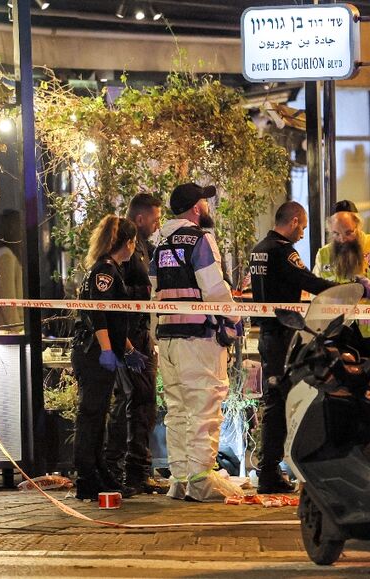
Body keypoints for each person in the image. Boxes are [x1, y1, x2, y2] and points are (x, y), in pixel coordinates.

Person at [149, 182, 243, 502]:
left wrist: (154, 336)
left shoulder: (159, 243)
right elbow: (214, 289)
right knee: (204, 408)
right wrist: (233, 320)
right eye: (204, 202)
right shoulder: (201, 240)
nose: (207, 207)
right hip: (198, 339)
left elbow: (153, 294)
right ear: (195, 208)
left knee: (176, 411)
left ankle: (179, 480)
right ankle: (202, 482)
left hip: (168, 338)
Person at [249, 201, 340, 494]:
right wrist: (343, 290)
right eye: (302, 226)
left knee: (274, 401)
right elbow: (306, 280)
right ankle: (271, 471)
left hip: (267, 333)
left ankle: (270, 469)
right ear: (295, 220)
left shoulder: (258, 249)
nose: (302, 232)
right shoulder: (282, 250)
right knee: (283, 403)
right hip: (283, 335)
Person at [70, 215, 145, 501]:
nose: (134, 249)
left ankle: (98, 469)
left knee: (98, 413)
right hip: (93, 352)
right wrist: (105, 349)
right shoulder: (105, 271)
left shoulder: (109, 269)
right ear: (126, 243)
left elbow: (114, 320)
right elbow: (98, 314)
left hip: (102, 350)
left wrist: (126, 349)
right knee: (90, 414)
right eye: (133, 243)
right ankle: (87, 476)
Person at [103, 193, 168, 494]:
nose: (158, 224)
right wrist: (126, 345)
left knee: (142, 402)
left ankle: (136, 470)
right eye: (155, 218)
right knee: (134, 400)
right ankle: (120, 469)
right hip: (128, 336)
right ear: (140, 219)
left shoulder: (144, 247)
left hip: (139, 333)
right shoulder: (126, 247)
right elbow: (116, 295)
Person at [312, 208, 370, 355]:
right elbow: (316, 293)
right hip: (337, 328)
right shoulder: (323, 254)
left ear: (358, 227)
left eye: (348, 232)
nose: (342, 239)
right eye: (336, 234)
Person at [0, 209, 23, 330]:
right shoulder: (5, 255)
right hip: (10, 330)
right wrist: (18, 329)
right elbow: (7, 297)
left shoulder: (7, 254)